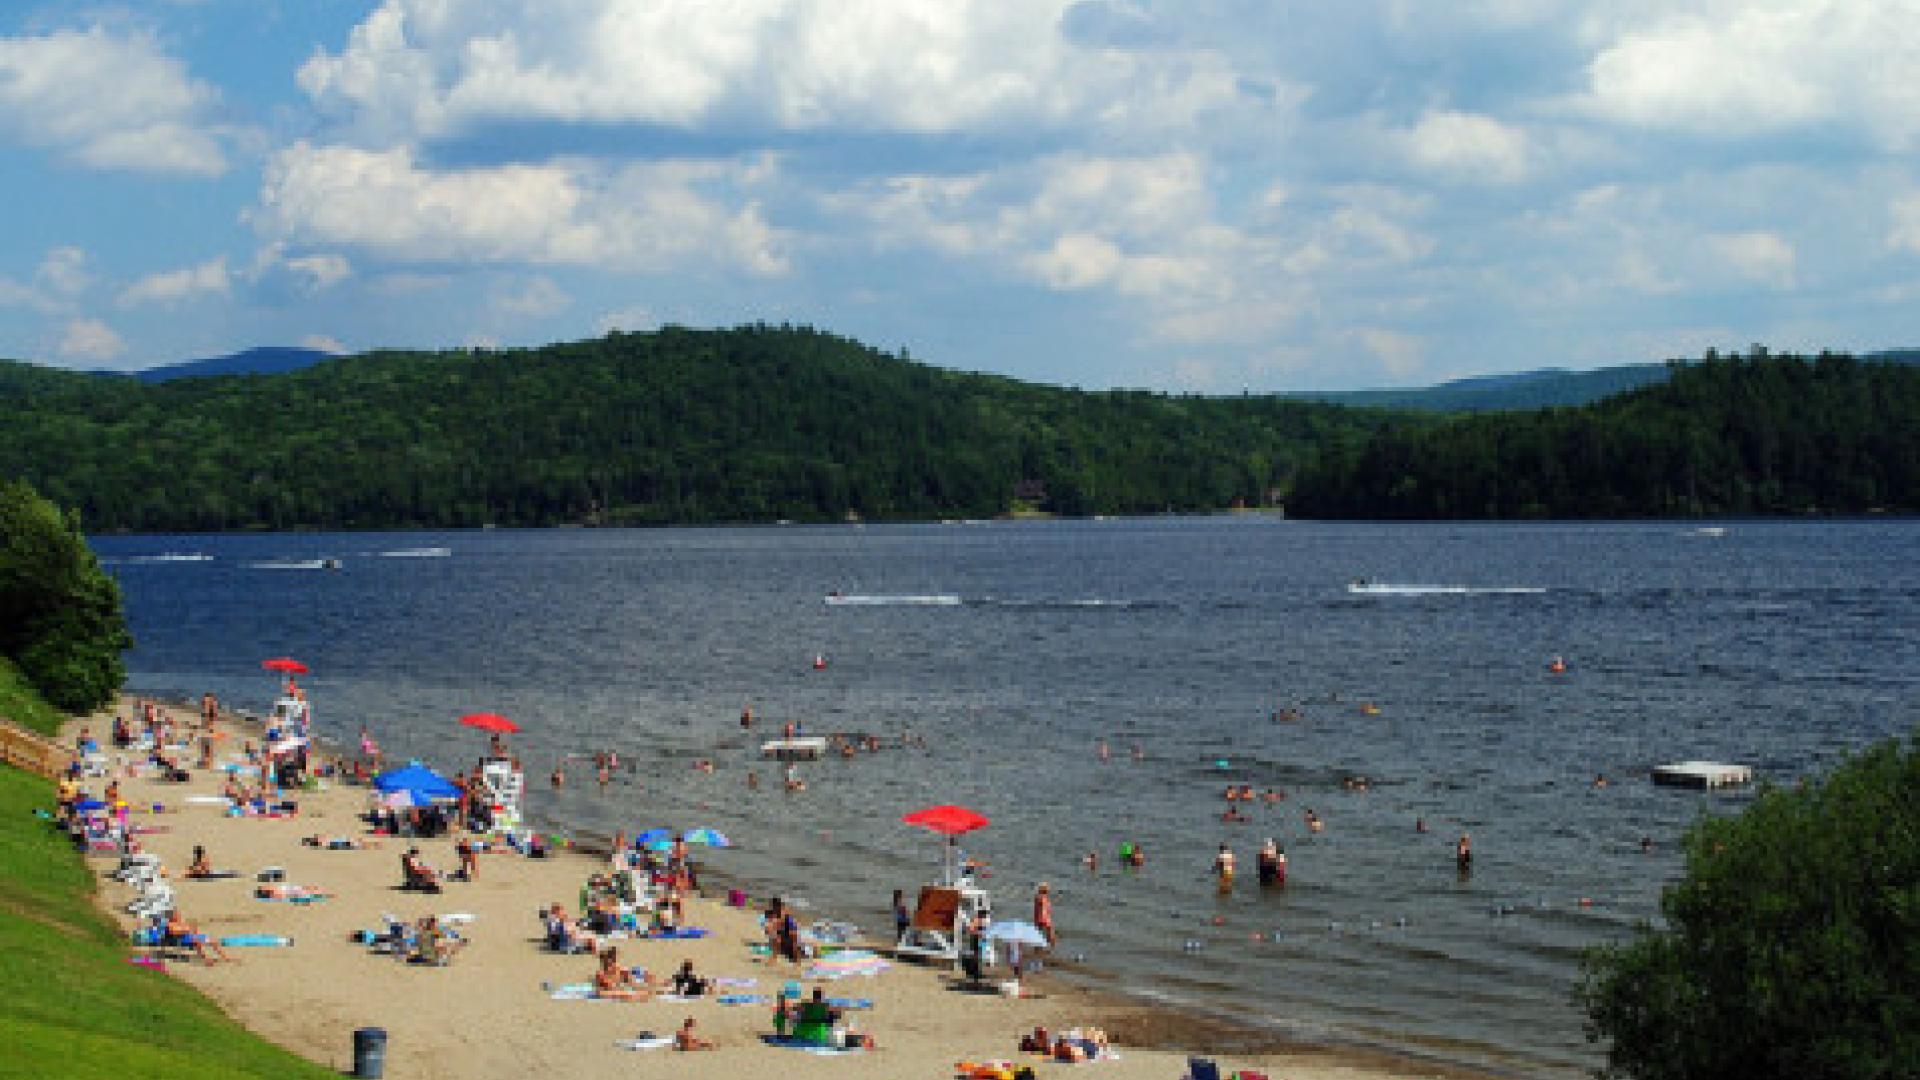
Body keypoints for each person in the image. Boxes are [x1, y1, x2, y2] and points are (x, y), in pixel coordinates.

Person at [165, 910, 232, 965]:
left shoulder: (180, 923)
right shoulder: (171, 925)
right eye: (177, 914)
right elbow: (176, 932)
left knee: (212, 941)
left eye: (178, 914)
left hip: (190, 936)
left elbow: (191, 930)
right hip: (183, 939)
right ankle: (206, 959)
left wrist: (191, 929)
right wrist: (188, 930)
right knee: (197, 941)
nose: (179, 916)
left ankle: (225, 957)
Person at [1033, 882, 1055, 946]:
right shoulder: (1040, 897)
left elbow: (1040, 909)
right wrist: (1044, 919)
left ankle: (1040, 946)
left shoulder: (1042, 897)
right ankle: (1049, 946)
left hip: (1042, 918)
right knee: (1049, 933)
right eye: (1047, 889)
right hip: (1043, 918)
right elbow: (1041, 909)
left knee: (1039, 934)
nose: (1048, 890)